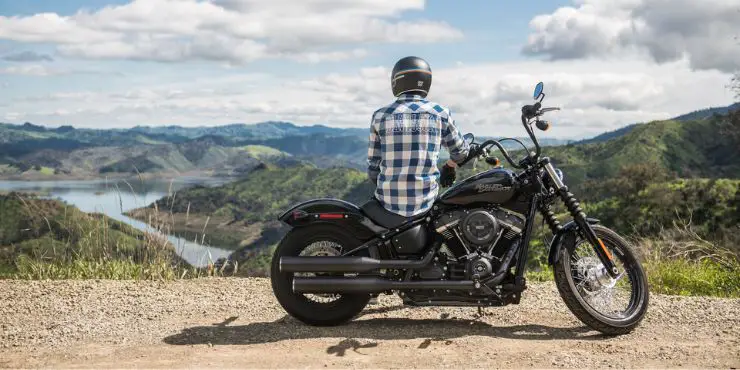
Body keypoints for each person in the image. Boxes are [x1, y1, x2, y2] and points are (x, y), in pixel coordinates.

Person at [367, 56, 475, 218]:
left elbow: (373, 167)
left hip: (387, 203)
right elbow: (460, 153)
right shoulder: (440, 113)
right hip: (427, 203)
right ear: (426, 81)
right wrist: (450, 165)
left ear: (397, 80)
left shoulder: (381, 115)